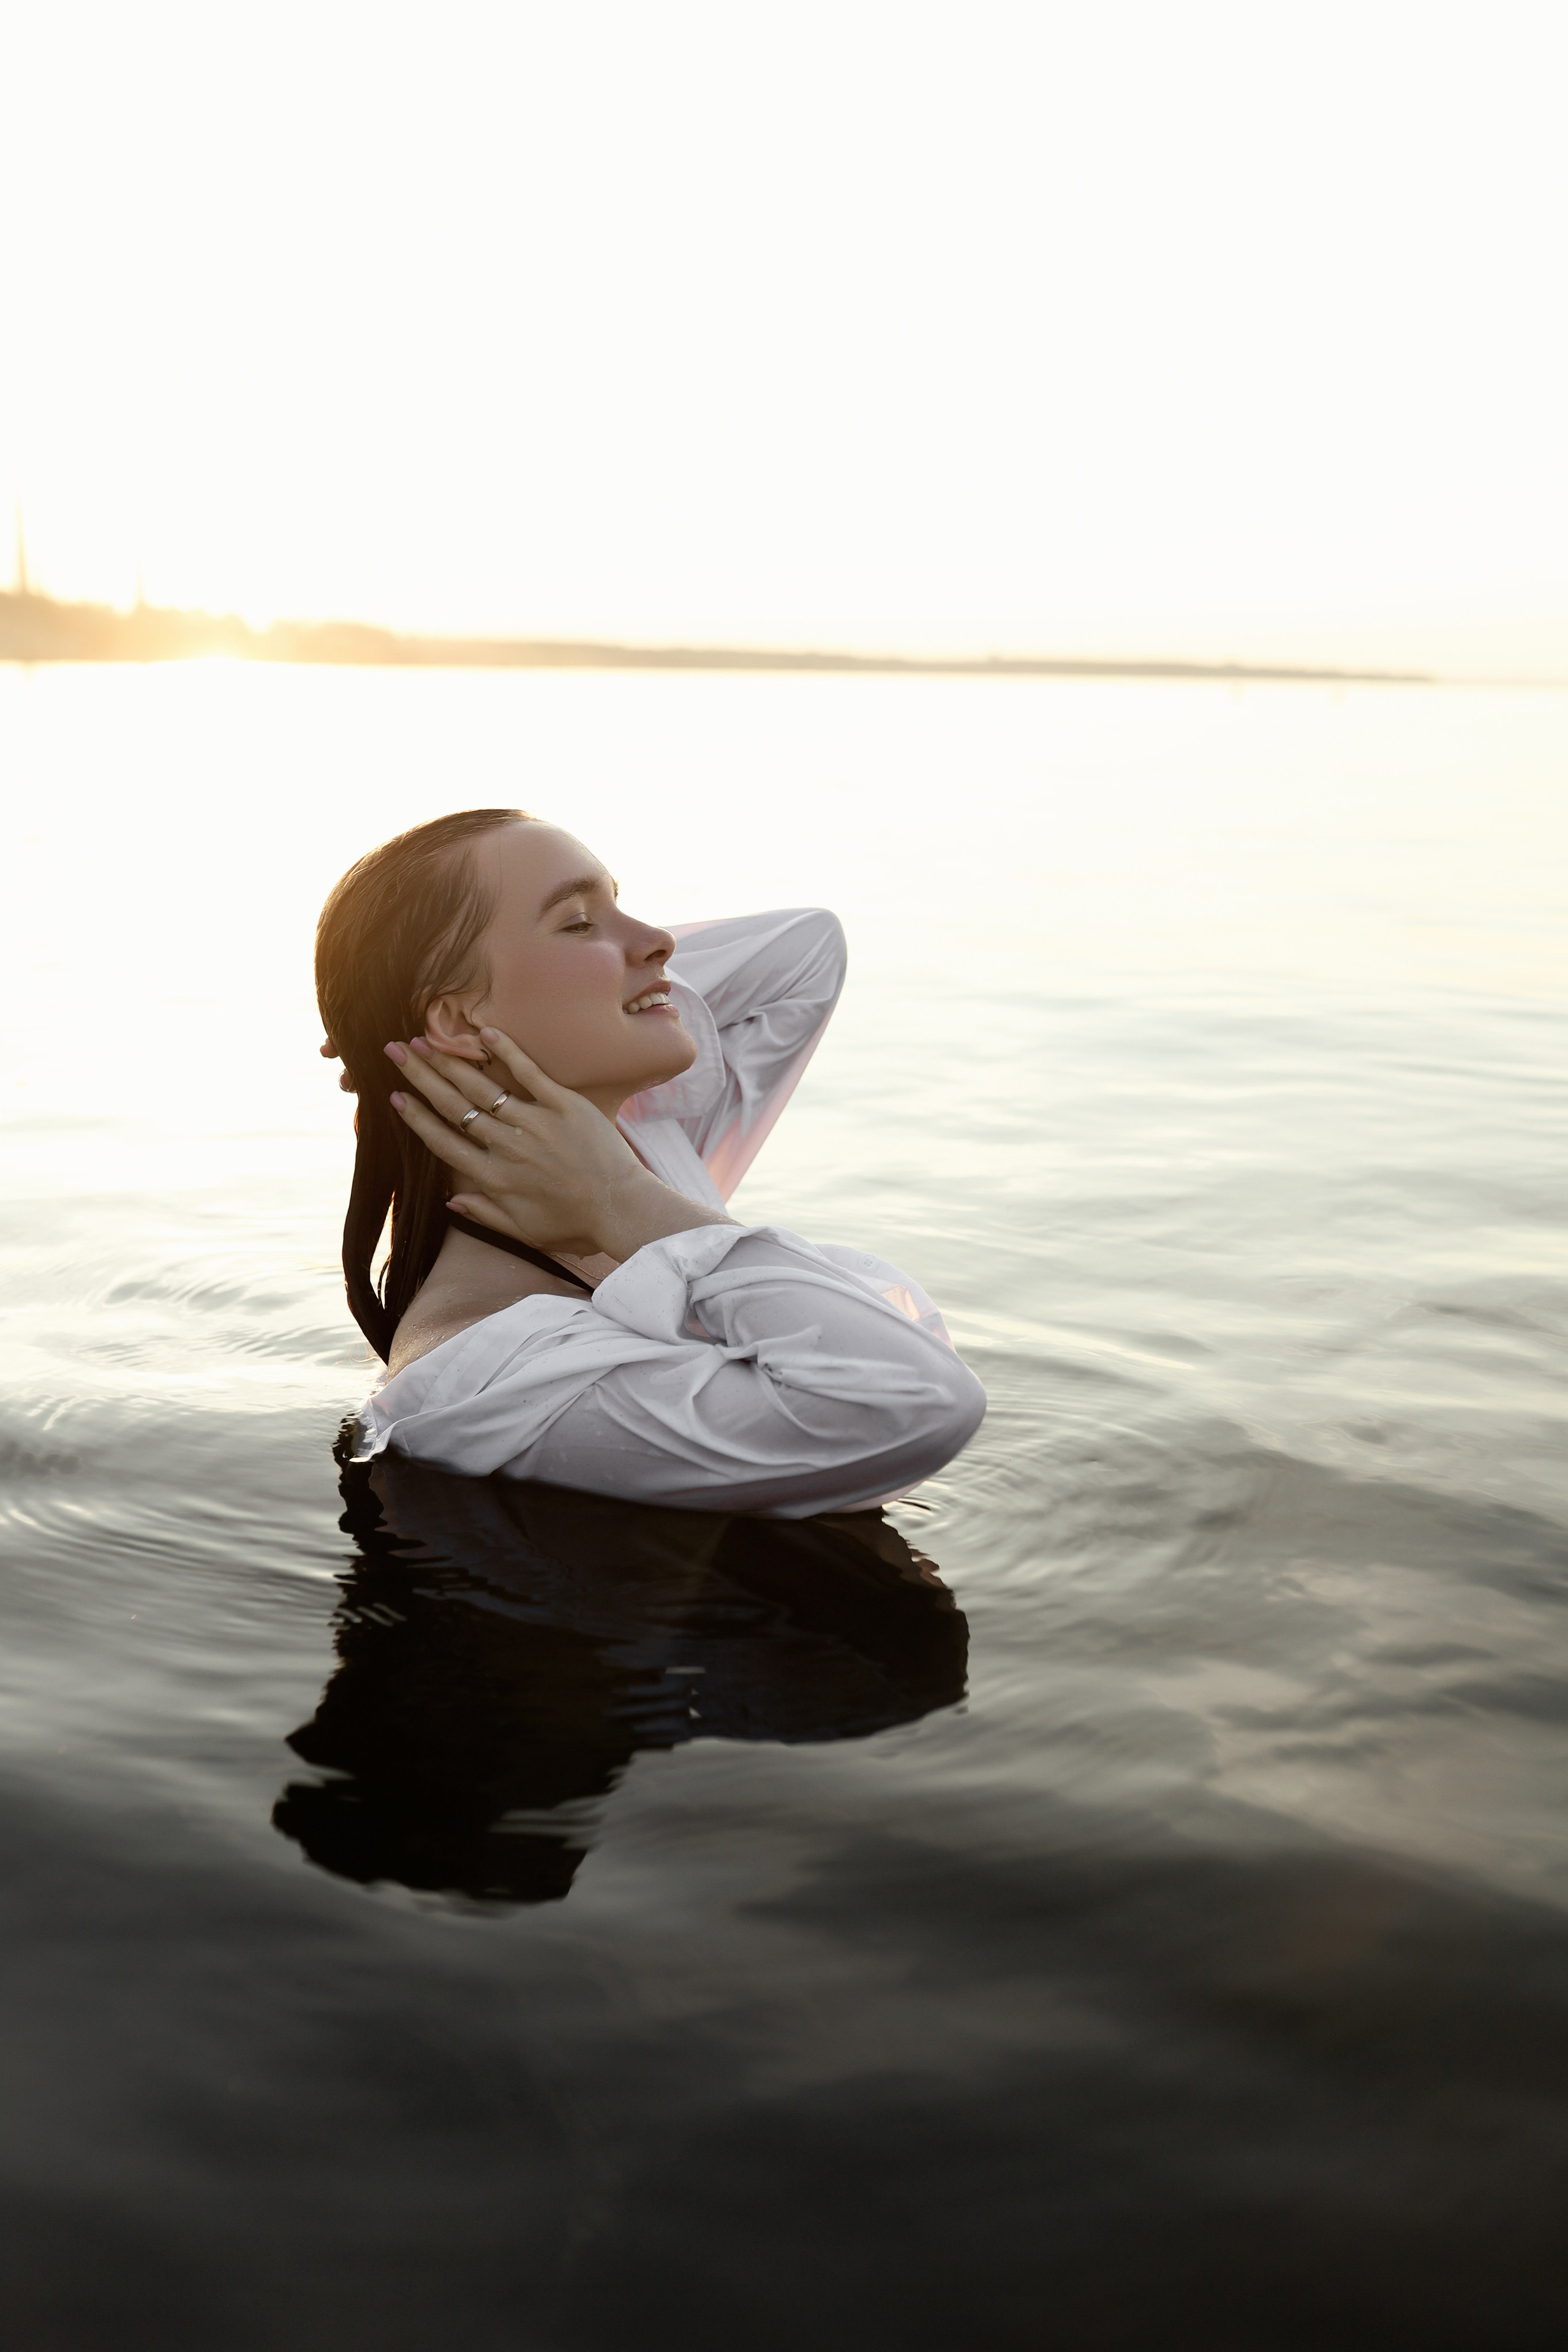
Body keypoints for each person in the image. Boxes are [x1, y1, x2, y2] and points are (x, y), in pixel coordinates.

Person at [315, 809, 984, 1515]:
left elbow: (806, 949)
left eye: (618, 904)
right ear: (455, 1022)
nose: (661, 941)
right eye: (577, 922)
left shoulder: (640, 1139)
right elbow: (914, 1402)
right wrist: (615, 1202)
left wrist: (387, 1031)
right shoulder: (495, 1374)